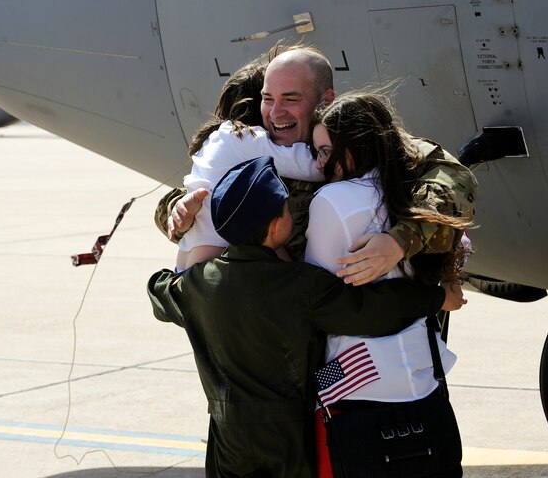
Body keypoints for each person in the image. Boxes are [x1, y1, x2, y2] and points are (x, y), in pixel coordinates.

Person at [147, 156, 467, 478]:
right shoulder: (302, 285)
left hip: (227, 435)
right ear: (275, 227)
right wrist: (437, 297)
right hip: (287, 436)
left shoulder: (197, 285)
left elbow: (158, 289)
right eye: (287, 209)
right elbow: (371, 311)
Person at [156, 42, 477, 274]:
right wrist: (178, 211)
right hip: (277, 321)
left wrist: (399, 242)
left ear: (325, 100)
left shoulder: (362, 142)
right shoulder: (253, 140)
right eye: (268, 99)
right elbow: (182, 198)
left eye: (291, 99)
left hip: (361, 326)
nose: (275, 112)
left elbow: (455, 182)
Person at [305, 92, 470, 478]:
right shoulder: (419, 193)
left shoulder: (333, 200)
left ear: (357, 144)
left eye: (328, 151)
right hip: (421, 377)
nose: (320, 164)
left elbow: (320, 303)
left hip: (356, 384)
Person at [173, 54, 323, 271]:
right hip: (216, 259)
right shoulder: (246, 139)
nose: (274, 112)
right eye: (268, 99)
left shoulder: (217, 138)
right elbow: (313, 167)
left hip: (189, 257)